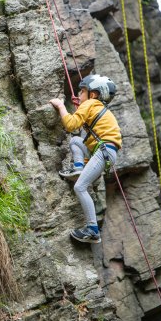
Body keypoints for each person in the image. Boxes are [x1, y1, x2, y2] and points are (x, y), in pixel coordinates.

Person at [49, 74, 122, 243]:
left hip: (103, 151)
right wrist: (80, 107)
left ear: (93, 94)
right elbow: (81, 129)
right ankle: (78, 167)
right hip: (104, 150)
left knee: (80, 187)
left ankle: (92, 230)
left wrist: (61, 106)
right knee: (75, 141)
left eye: (82, 91)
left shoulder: (90, 104)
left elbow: (70, 125)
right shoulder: (95, 106)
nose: (78, 94)